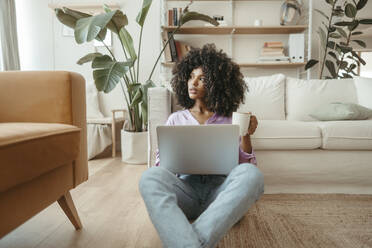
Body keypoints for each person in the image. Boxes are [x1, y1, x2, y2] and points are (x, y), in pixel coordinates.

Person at [139, 44, 264, 248]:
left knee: (253, 175)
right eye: (190, 76)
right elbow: (161, 167)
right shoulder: (175, 119)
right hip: (186, 193)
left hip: (220, 195)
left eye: (202, 78)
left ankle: (187, 241)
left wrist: (246, 134)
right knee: (149, 177)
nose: (193, 82)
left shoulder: (230, 119)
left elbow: (246, 165)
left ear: (218, 83)